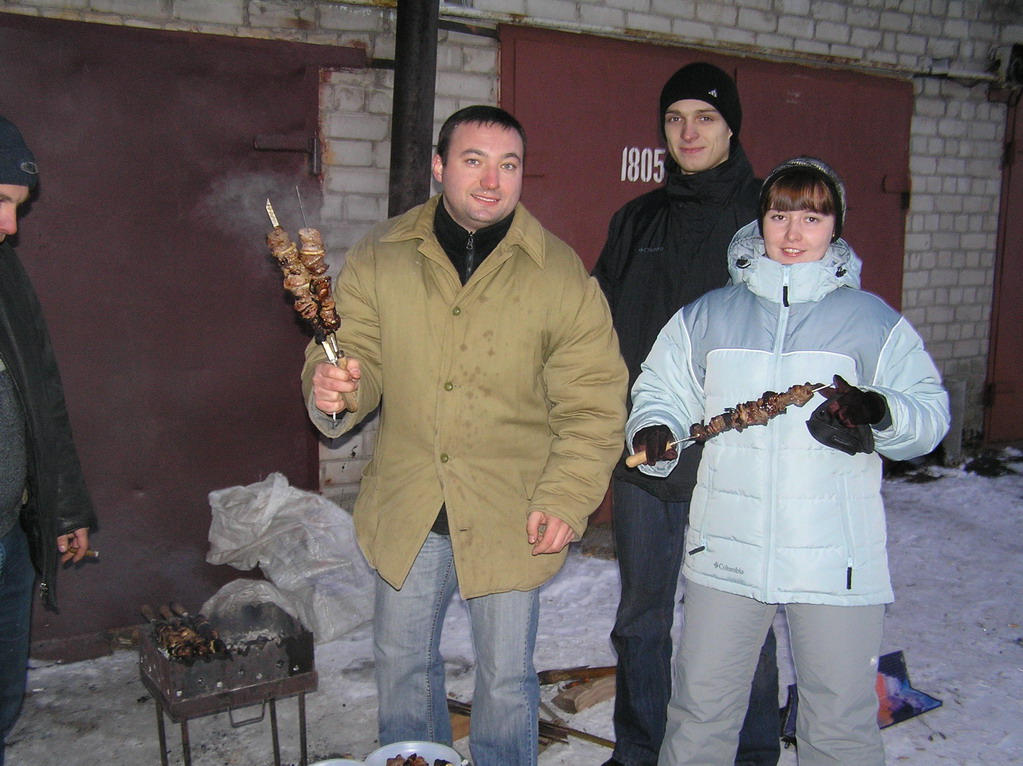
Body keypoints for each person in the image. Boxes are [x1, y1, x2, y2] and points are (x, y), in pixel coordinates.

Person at [303, 105, 628, 765]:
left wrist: (567, 495)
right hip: (411, 500)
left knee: (505, 679)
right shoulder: (381, 255)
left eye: (508, 165)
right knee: (401, 662)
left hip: (512, 506)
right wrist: (335, 387)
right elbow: (353, 354)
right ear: (439, 165)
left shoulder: (557, 273)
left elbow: (593, 400)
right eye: (473, 160)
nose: (491, 180)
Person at [627, 156, 951, 765]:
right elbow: (660, 391)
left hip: (836, 559)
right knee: (699, 716)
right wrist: (654, 430)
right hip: (726, 553)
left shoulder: (871, 321)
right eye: (780, 216)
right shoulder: (708, 315)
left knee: (839, 726)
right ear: (761, 222)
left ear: (835, 227)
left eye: (812, 217)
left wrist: (880, 413)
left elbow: (929, 414)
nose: (794, 233)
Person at [591, 62, 780, 766]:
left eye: (705, 117)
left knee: (741, 617)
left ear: (731, 127)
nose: (688, 132)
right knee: (641, 617)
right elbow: (592, 326)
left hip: (738, 458)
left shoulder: (767, 218)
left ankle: (753, 751)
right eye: (675, 119)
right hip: (646, 455)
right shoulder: (636, 220)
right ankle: (638, 750)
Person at [0, 115, 97, 765]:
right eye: (1, 200)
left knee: (5, 696)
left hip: (10, 535)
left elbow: (43, 397)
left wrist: (63, 507)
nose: (11, 225)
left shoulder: (6, 274)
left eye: (18, 205)